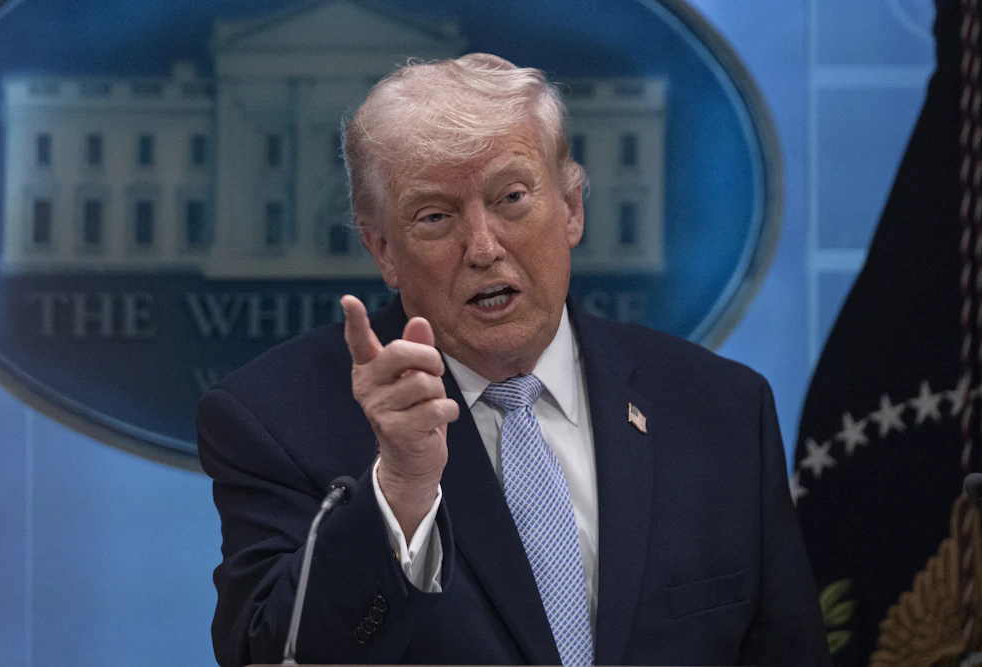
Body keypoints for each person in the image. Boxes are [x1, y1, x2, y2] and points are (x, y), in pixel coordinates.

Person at [198, 53, 830, 667]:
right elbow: (270, 654)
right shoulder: (274, 422)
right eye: (436, 215)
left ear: (573, 208)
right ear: (384, 250)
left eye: (512, 198)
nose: (482, 247)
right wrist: (401, 489)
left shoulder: (721, 409)